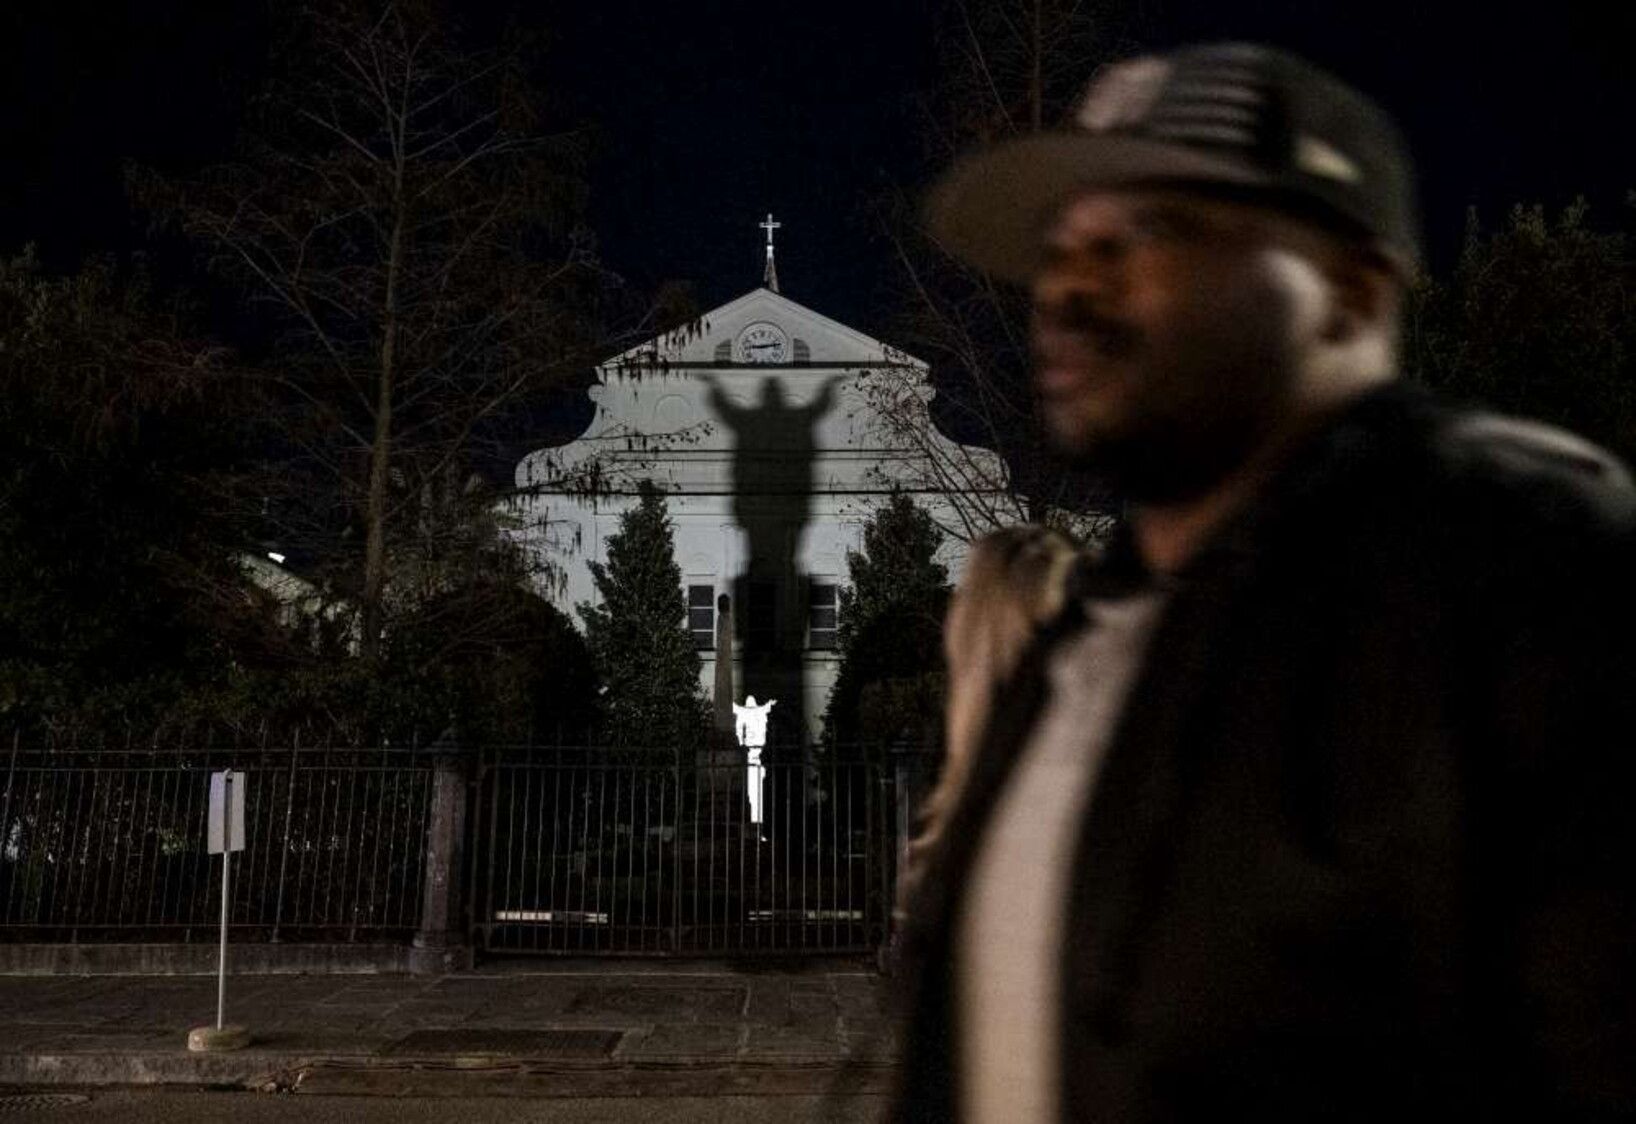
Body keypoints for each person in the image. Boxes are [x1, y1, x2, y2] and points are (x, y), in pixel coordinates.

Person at [891, 41, 1636, 1123]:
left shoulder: (1522, 582)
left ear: (1346, 290)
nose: (1067, 288)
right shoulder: (1094, 636)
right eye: (1064, 245)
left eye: (1150, 230)